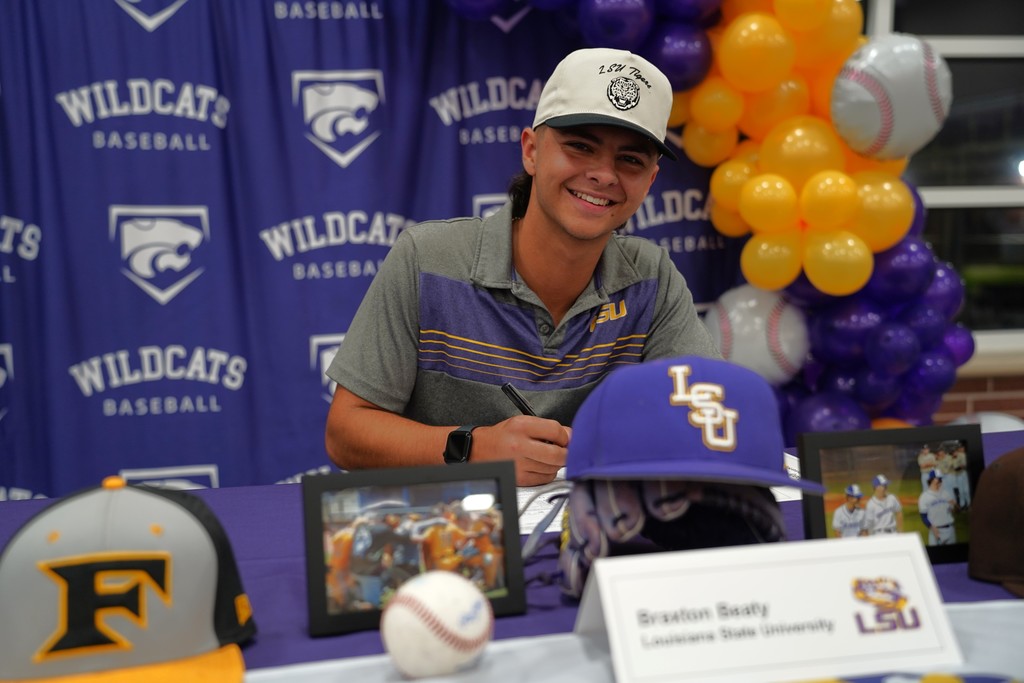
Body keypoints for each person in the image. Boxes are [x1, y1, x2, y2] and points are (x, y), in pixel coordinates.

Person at [324, 48, 720, 486]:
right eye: (580, 146)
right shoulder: (426, 259)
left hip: (598, 522)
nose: (605, 175)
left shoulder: (652, 277)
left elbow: (706, 419)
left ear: (649, 182)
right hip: (453, 526)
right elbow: (346, 433)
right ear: (531, 151)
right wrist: (473, 449)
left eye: (631, 160)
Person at [918, 470, 958, 546]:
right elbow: (923, 517)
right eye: (939, 479)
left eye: (941, 479)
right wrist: (932, 528)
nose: (941, 481)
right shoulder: (924, 497)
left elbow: (954, 510)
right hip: (936, 531)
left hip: (950, 529)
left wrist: (955, 505)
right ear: (932, 480)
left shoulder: (946, 493)